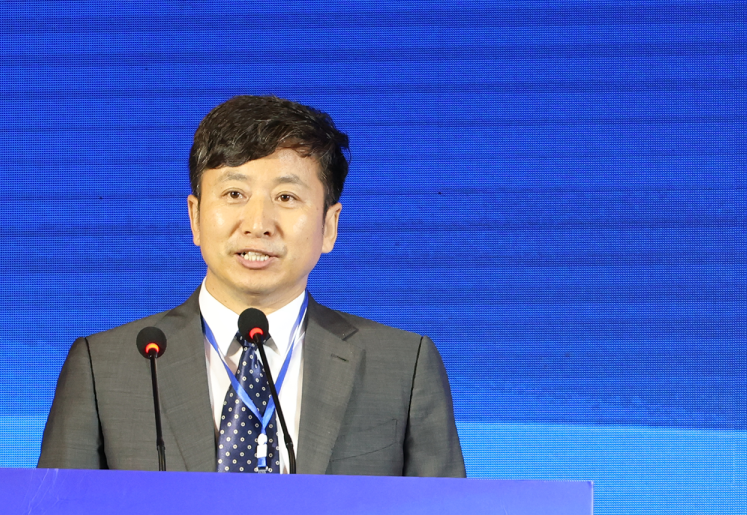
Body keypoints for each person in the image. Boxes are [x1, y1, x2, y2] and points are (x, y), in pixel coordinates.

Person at [38, 95, 466, 477]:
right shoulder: (105, 368)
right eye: (234, 194)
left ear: (329, 225)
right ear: (195, 217)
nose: (258, 224)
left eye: (286, 198)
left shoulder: (403, 367)